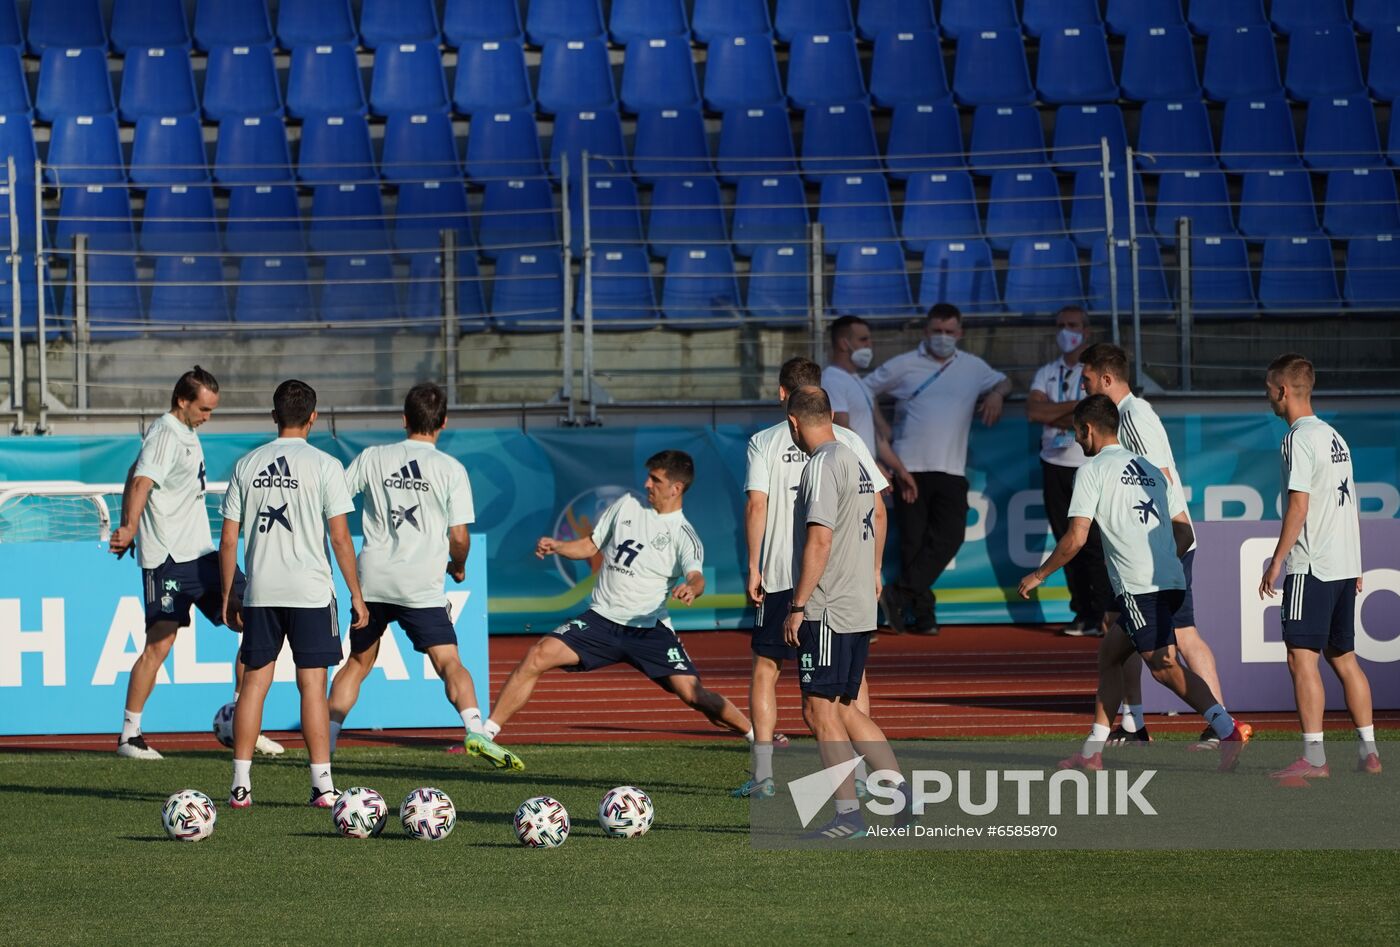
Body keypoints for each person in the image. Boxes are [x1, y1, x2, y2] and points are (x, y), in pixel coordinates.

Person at [1017, 395, 1250, 774]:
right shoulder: (1151, 469)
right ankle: (1092, 751)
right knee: (1110, 654)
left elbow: (1076, 537)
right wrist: (1163, 563)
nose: (1076, 440)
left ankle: (1228, 728)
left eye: (1076, 432)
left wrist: (1039, 574)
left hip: (1142, 588)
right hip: (1169, 581)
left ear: (1087, 429)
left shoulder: (1091, 471)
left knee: (1164, 668)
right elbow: (1184, 531)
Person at [479, 451, 753, 754]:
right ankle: (486, 735)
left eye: (656, 479)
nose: (646, 483)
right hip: (601, 621)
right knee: (537, 655)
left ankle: (757, 735)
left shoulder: (683, 535)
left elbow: (696, 576)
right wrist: (559, 546)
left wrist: (691, 588)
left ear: (676, 488)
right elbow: (589, 545)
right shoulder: (626, 505)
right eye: (648, 476)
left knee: (694, 695)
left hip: (647, 631)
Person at [325, 383, 519, 769]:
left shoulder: (373, 457)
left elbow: (335, 501)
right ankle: (475, 729)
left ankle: (325, 746)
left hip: (373, 579)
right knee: (449, 662)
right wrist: (459, 565)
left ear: (404, 419)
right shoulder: (451, 469)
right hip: (422, 585)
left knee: (358, 664)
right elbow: (459, 536)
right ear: (443, 422)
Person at [107, 367, 283, 760]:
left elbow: (132, 473)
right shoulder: (166, 433)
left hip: (200, 554)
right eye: (204, 408)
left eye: (212, 410)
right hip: (168, 559)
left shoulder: (184, 433)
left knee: (254, 620)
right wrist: (130, 527)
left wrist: (130, 523)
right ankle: (129, 736)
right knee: (160, 643)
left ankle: (244, 724)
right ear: (183, 401)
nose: (208, 416)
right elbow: (140, 481)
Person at [735, 357, 890, 800]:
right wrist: (875, 569)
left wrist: (754, 565)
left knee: (774, 674)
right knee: (850, 686)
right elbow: (878, 508)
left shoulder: (768, 441)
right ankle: (873, 782)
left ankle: (766, 775)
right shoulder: (850, 441)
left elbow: (757, 506)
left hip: (799, 579)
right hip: (849, 584)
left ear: (786, 399)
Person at [218, 380, 369, 809]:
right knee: (312, 687)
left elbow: (229, 540)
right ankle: (322, 787)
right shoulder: (324, 464)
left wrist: (230, 594)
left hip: (262, 591)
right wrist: (356, 594)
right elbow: (340, 538)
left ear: (273, 416)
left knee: (253, 685)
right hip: (311, 592)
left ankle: (240, 786)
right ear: (313, 417)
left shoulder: (247, 464)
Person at [1080, 342, 1226, 748]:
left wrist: (1153, 545)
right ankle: (1136, 723)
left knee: (1180, 636)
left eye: (1087, 380)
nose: (1084, 387)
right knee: (1123, 632)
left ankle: (1218, 722)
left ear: (1106, 379)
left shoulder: (1134, 416)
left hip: (1158, 544)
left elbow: (1157, 476)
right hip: (1148, 544)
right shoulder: (1124, 416)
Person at [782, 386, 910, 839]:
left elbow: (820, 540)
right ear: (831, 414)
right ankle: (900, 793)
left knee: (819, 712)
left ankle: (848, 816)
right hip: (857, 603)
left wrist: (798, 605)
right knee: (848, 707)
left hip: (828, 607)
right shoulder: (855, 458)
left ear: (793, 423)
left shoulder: (820, 464)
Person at [1259, 354, 1381, 778]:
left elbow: (1299, 506)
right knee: (1344, 657)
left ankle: (1314, 760)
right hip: (1344, 564)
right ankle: (1369, 752)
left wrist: (1277, 562)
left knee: (1301, 657)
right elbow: (1348, 503)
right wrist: (1358, 561)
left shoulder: (1297, 438)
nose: (1268, 397)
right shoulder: (1335, 437)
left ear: (1283, 391)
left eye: (1269, 390)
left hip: (1312, 565)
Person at [864, 303, 1012, 634]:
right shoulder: (904, 364)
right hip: (909, 467)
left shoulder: (973, 367)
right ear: (925, 332)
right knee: (913, 543)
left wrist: (997, 396)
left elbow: (1004, 381)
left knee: (949, 537)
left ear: (959, 334)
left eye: (949, 332)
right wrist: (880, 426)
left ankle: (899, 594)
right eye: (936, 331)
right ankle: (922, 616)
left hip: (951, 468)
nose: (943, 338)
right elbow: (864, 390)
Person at [1026, 306, 1111, 637]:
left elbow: (1099, 410)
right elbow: (1034, 411)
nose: (1066, 331)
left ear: (1086, 331)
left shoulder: (1095, 372)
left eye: (1073, 325)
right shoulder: (1047, 371)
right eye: (1061, 325)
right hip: (1054, 464)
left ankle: (1102, 613)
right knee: (1066, 541)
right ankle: (1082, 612)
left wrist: (1054, 412)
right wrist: (1076, 412)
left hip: (1087, 464)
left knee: (1090, 543)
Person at [821, 314, 917, 501]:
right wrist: (872, 466)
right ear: (843, 343)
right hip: (849, 473)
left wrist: (900, 470)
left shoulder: (859, 382)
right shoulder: (831, 380)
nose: (869, 345)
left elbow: (879, 438)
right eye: (863, 339)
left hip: (865, 473)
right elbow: (841, 431)